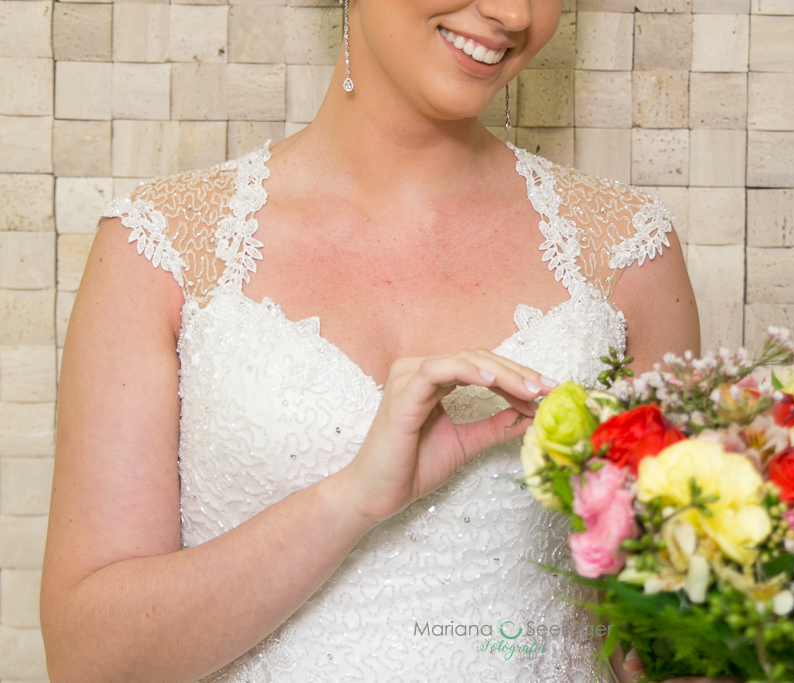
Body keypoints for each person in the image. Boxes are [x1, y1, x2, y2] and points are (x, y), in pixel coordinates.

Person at [40, 1, 703, 681]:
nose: (512, 12)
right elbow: (89, 661)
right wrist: (350, 500)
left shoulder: (629, 255)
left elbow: (658, 638)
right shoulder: (161, 253)